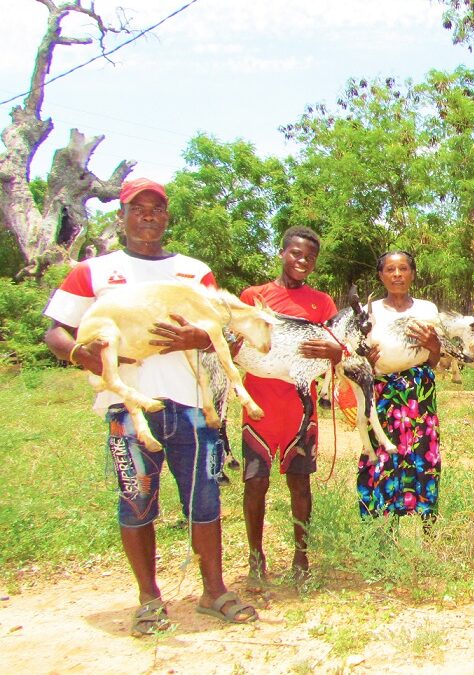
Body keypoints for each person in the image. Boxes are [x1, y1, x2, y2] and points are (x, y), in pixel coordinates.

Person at [42, 178, 257, 635]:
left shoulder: (193, 271)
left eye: (156, 209)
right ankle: (148, 599)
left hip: (195, 408)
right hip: (128, 410)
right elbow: (57, 331)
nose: (147, 216)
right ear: (121, 216)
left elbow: (229, 335)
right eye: (137, 208)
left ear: (166, 217)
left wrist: (202, 337)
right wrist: (85, 356)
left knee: (206, 499)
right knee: (136, 501)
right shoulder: (94, 272)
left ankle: (214, 591)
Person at [239, 226, 341, 584]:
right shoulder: (255, 297)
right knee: (255, 484)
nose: (302, 261)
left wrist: (336, 351)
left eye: (310, 257)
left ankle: (301, 558)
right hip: (260, 408)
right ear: (282, 252)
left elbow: (334, 348)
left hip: (301, 409)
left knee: (300, 485)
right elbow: (240, 343)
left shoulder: (322, 303)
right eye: (296, 253)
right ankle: (256, 559)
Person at [354, 251, 443, 521]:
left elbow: (435, 360)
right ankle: (380, 522)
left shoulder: (427, 309)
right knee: (380, 452)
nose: (397, 275)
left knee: (422, 452)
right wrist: (365, 361)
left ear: (413, 274)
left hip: (419, 390)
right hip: (380, 392)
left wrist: (433, 346)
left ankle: (425, 523)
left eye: (403, 269)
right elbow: (358, 357)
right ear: (380, 275)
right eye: (390, 270)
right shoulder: (369, 312)